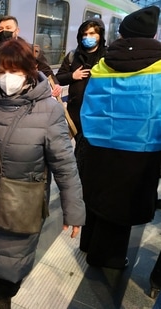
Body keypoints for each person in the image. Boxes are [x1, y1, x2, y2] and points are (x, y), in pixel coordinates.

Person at [0, 39, 85, 308]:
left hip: (23, 198)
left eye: (14, 71)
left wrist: (73, 210)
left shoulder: (48, 110)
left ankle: (6, 291)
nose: (7, 78)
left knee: (12, 255)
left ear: (30, 69)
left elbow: (64, 164)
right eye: (1, 72)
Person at [79, 6, 161, 272]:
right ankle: (110, 258)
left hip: (99, 145)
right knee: (123, 204)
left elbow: (90, 104)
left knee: (97, 195)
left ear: (123, 33)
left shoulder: (104, 63)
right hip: (140, 151)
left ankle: (88, 244)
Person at [0, 15, 62, 118]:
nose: (4, 31)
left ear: (17, 30)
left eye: (8, 28)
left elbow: (47, 74)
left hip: (25, 110)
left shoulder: (31, 52)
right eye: (0, 29)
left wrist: (55, 85)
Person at [55, 18, 106, 175]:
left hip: (98, 113)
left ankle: (85, 179)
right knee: (80, 147)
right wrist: (73, 75)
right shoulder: (73, 56)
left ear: (100, 35)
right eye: (84, 34)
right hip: (75, 113)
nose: (88, 37)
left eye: (92, 33)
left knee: (91, 151)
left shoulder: (107, 56)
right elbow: (59, 78)